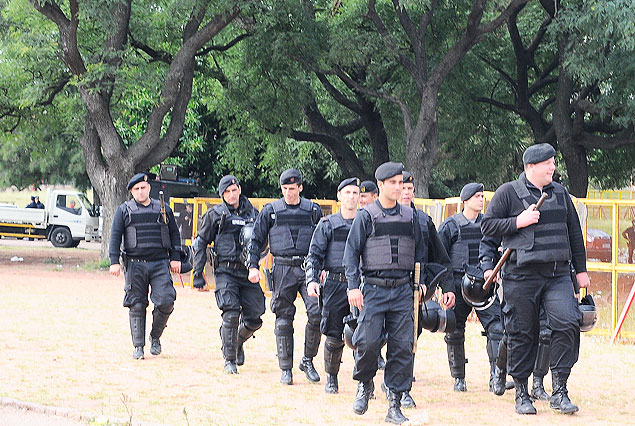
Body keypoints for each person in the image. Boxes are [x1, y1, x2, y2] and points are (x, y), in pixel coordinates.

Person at [480, 143, 589, 415]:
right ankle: (521, 392)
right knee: (522, 334)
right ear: (531, 167)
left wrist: (581, 271)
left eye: (553, 162)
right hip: (520, 276)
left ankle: (560, 389)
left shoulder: (561, 194)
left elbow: (574, 233)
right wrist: (518, 222)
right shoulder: (508, 193)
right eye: (548, 163)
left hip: (557, 274)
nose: (553, 167)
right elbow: (488, 226)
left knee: (567, 323)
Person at [344, 162, 455, 424]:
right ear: (380, 185)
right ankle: (365, 384)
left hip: (404, 291)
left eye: (400, 183)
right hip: (373, 289)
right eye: (392, 183)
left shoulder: (413, 217)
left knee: (402, 348)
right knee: (368, 341)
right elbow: (351, 253)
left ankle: (394, 402)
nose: (398, 188)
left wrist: (423, 281)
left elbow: (422, 254)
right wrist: (352, 286)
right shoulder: (366, 215)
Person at [247, 168, 323, 385]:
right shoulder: (270, 211)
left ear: (300, 187)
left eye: (292, 188)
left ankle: (307, 360)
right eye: (285, 188)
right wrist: (253, 266)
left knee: (317, 313)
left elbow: (323, 241)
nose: (288, 192)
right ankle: (286, 368)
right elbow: (256, 241)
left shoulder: (313, 211)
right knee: (283, 318)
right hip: (282, 268)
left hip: (309, 268)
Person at [389, 170, 453, 409]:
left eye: (409, 189)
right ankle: (373, 381)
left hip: (412, 289)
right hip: (381, 289)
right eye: (401, 188)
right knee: (376, 337)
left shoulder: (424, 221)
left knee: (408, 339)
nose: (406, 193)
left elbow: (440, 257)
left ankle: (403, 389)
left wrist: (447, 287)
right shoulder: (376, 216)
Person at [191, 175, 264, 374]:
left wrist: (256, 264)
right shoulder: (215, 214)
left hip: (247, 272)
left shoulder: (254, 214)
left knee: (255, 319)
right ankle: (229, 359)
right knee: (231, 314)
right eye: (227, 192)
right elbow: (200, 243)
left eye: (234, 190)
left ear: (239, 190)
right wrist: (198, 273)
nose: (231, 195)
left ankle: (237, 340)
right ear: (222, 194)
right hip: (225, 271)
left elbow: (263, 243)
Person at [438, 183, 504, 393]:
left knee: (496, 328)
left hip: (484, 285)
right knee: (455, 330)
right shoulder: (450, 226)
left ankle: (497, 376)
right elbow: (441, 259)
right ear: (465, 199)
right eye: (476, 196)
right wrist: (446, 287)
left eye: (482, 196)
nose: (481, 199)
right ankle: (459, 378)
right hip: (458, 283)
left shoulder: (489, 224)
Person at [109, 173, 183, 360]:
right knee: (136, 304)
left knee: (166, 301)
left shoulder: (163, 208)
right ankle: (138, 346)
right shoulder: (124, 210)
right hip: (135, 264)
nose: (140, 192)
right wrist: (114, 261)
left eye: (143, 187)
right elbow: (115, 236)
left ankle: (155, 337)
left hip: (160, 263)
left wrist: (175, 257)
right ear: (131, 192)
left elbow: (174, 234)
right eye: (136, 189)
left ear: (149, 188)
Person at [305, 177, 360, 394]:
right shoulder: (327, 225)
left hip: (361, 285)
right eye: (347, 193)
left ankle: (365, 382)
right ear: (339, 196)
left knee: (364, 335)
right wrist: (311, 280)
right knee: (334, 335)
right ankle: (332, 377)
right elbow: (314, 255)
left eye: (355, 193)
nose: (352, 197)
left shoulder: (367, 223)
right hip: (336, 285)